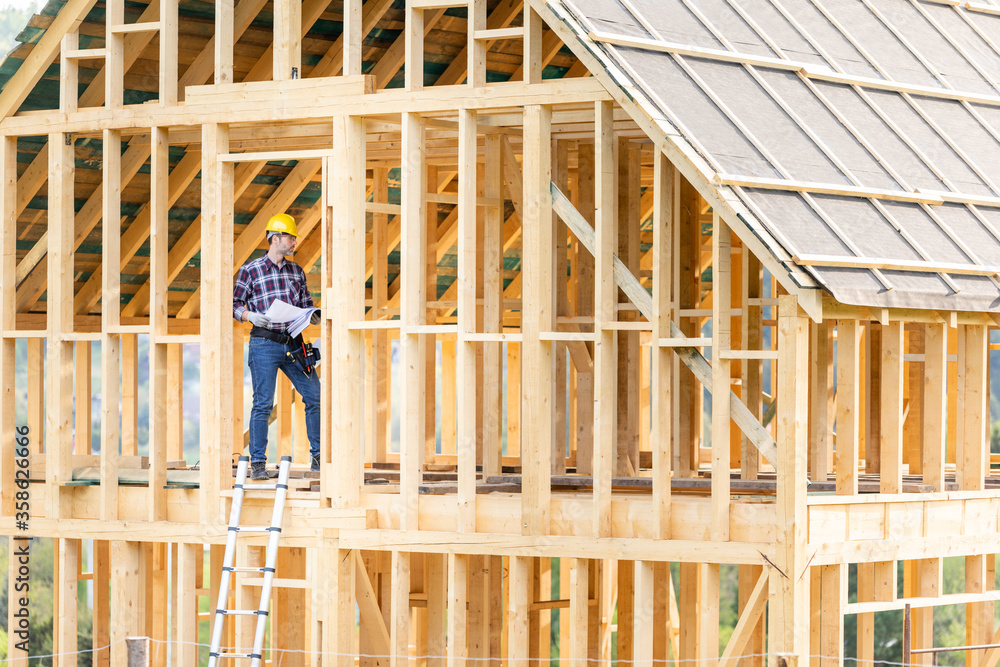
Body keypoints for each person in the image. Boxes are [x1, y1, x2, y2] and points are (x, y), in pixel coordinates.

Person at [233, 213, 322, 480]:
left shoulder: (297, 272)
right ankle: (258, 465)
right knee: (262, 403)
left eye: (294, 237)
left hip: (293, 343)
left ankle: (318, 459)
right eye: (290, 237)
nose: (294, 241)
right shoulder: (251, 270)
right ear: (274, 238)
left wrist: (314, 315)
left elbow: (306, 304)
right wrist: (249, 316)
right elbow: (234, 303)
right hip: (264, 343)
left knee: (315, 395)